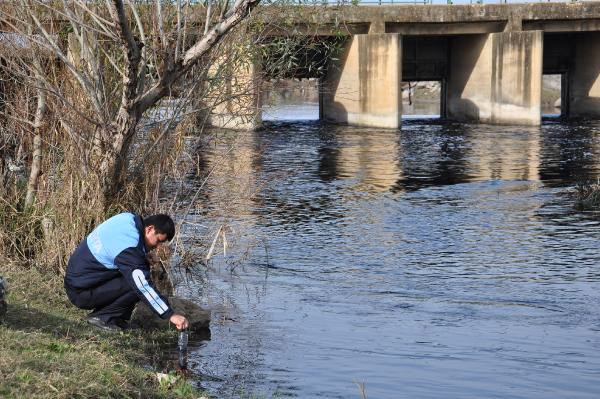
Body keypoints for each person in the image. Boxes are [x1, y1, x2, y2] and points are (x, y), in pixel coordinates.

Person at [64, 212, 189, 332]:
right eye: (158, 241)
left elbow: (117, 246)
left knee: (137, 270)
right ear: (150, 229)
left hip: (78, 281)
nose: (157, 246)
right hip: (81, 293)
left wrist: (142, 255)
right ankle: (103, 318)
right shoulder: (130, 248)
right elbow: (142, 285)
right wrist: (170, 314)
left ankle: (117, 319)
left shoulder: (128, 218)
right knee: (136, 283)